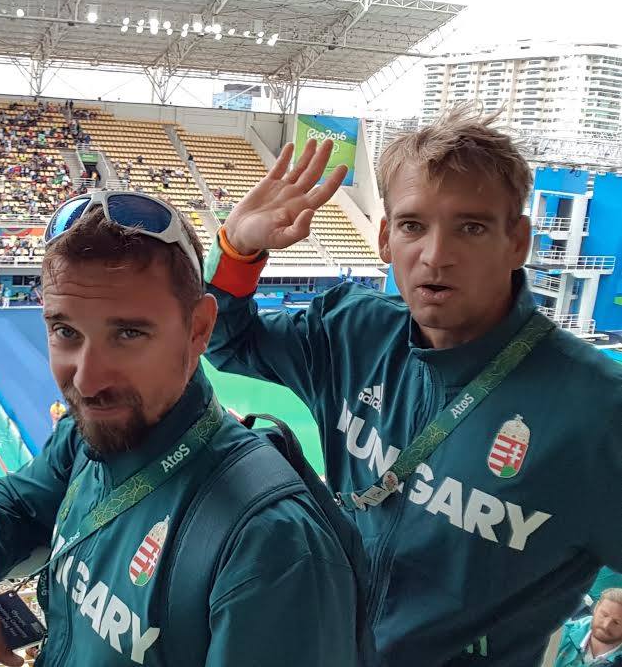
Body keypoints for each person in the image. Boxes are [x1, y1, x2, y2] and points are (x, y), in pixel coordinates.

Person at [204, 108, 622, 667]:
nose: (435, 254)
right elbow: (225, 340)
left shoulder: (599, 409)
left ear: (517, 240)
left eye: (470, 227)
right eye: (412, 225)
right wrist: (237, 248)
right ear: (384, 238)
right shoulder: (352, 333)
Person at [0, 192, 364, 667]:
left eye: (128, 334)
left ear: (199, 330)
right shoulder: (86, 439)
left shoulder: (272, 547)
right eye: (65, 331)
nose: (87, 381)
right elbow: (15, 501)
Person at [555, 589, 622, 667]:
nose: (606, 625)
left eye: (617, 622)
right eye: (604, 615)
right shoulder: (561, 634)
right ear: (596, 608)